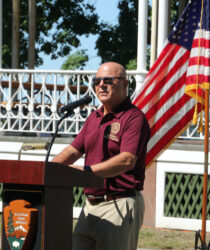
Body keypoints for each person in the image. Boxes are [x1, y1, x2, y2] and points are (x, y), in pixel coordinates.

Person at [52, 62, 150, 250]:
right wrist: (45, 171)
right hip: (90, 206)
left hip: (119, 203)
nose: (101, 85)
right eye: (97, 81)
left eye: (108, 80)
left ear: (124, 84)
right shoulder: (93, 118)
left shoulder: (134, 118)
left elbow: (127, 160)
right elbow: (73, 151)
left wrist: (86, 172)